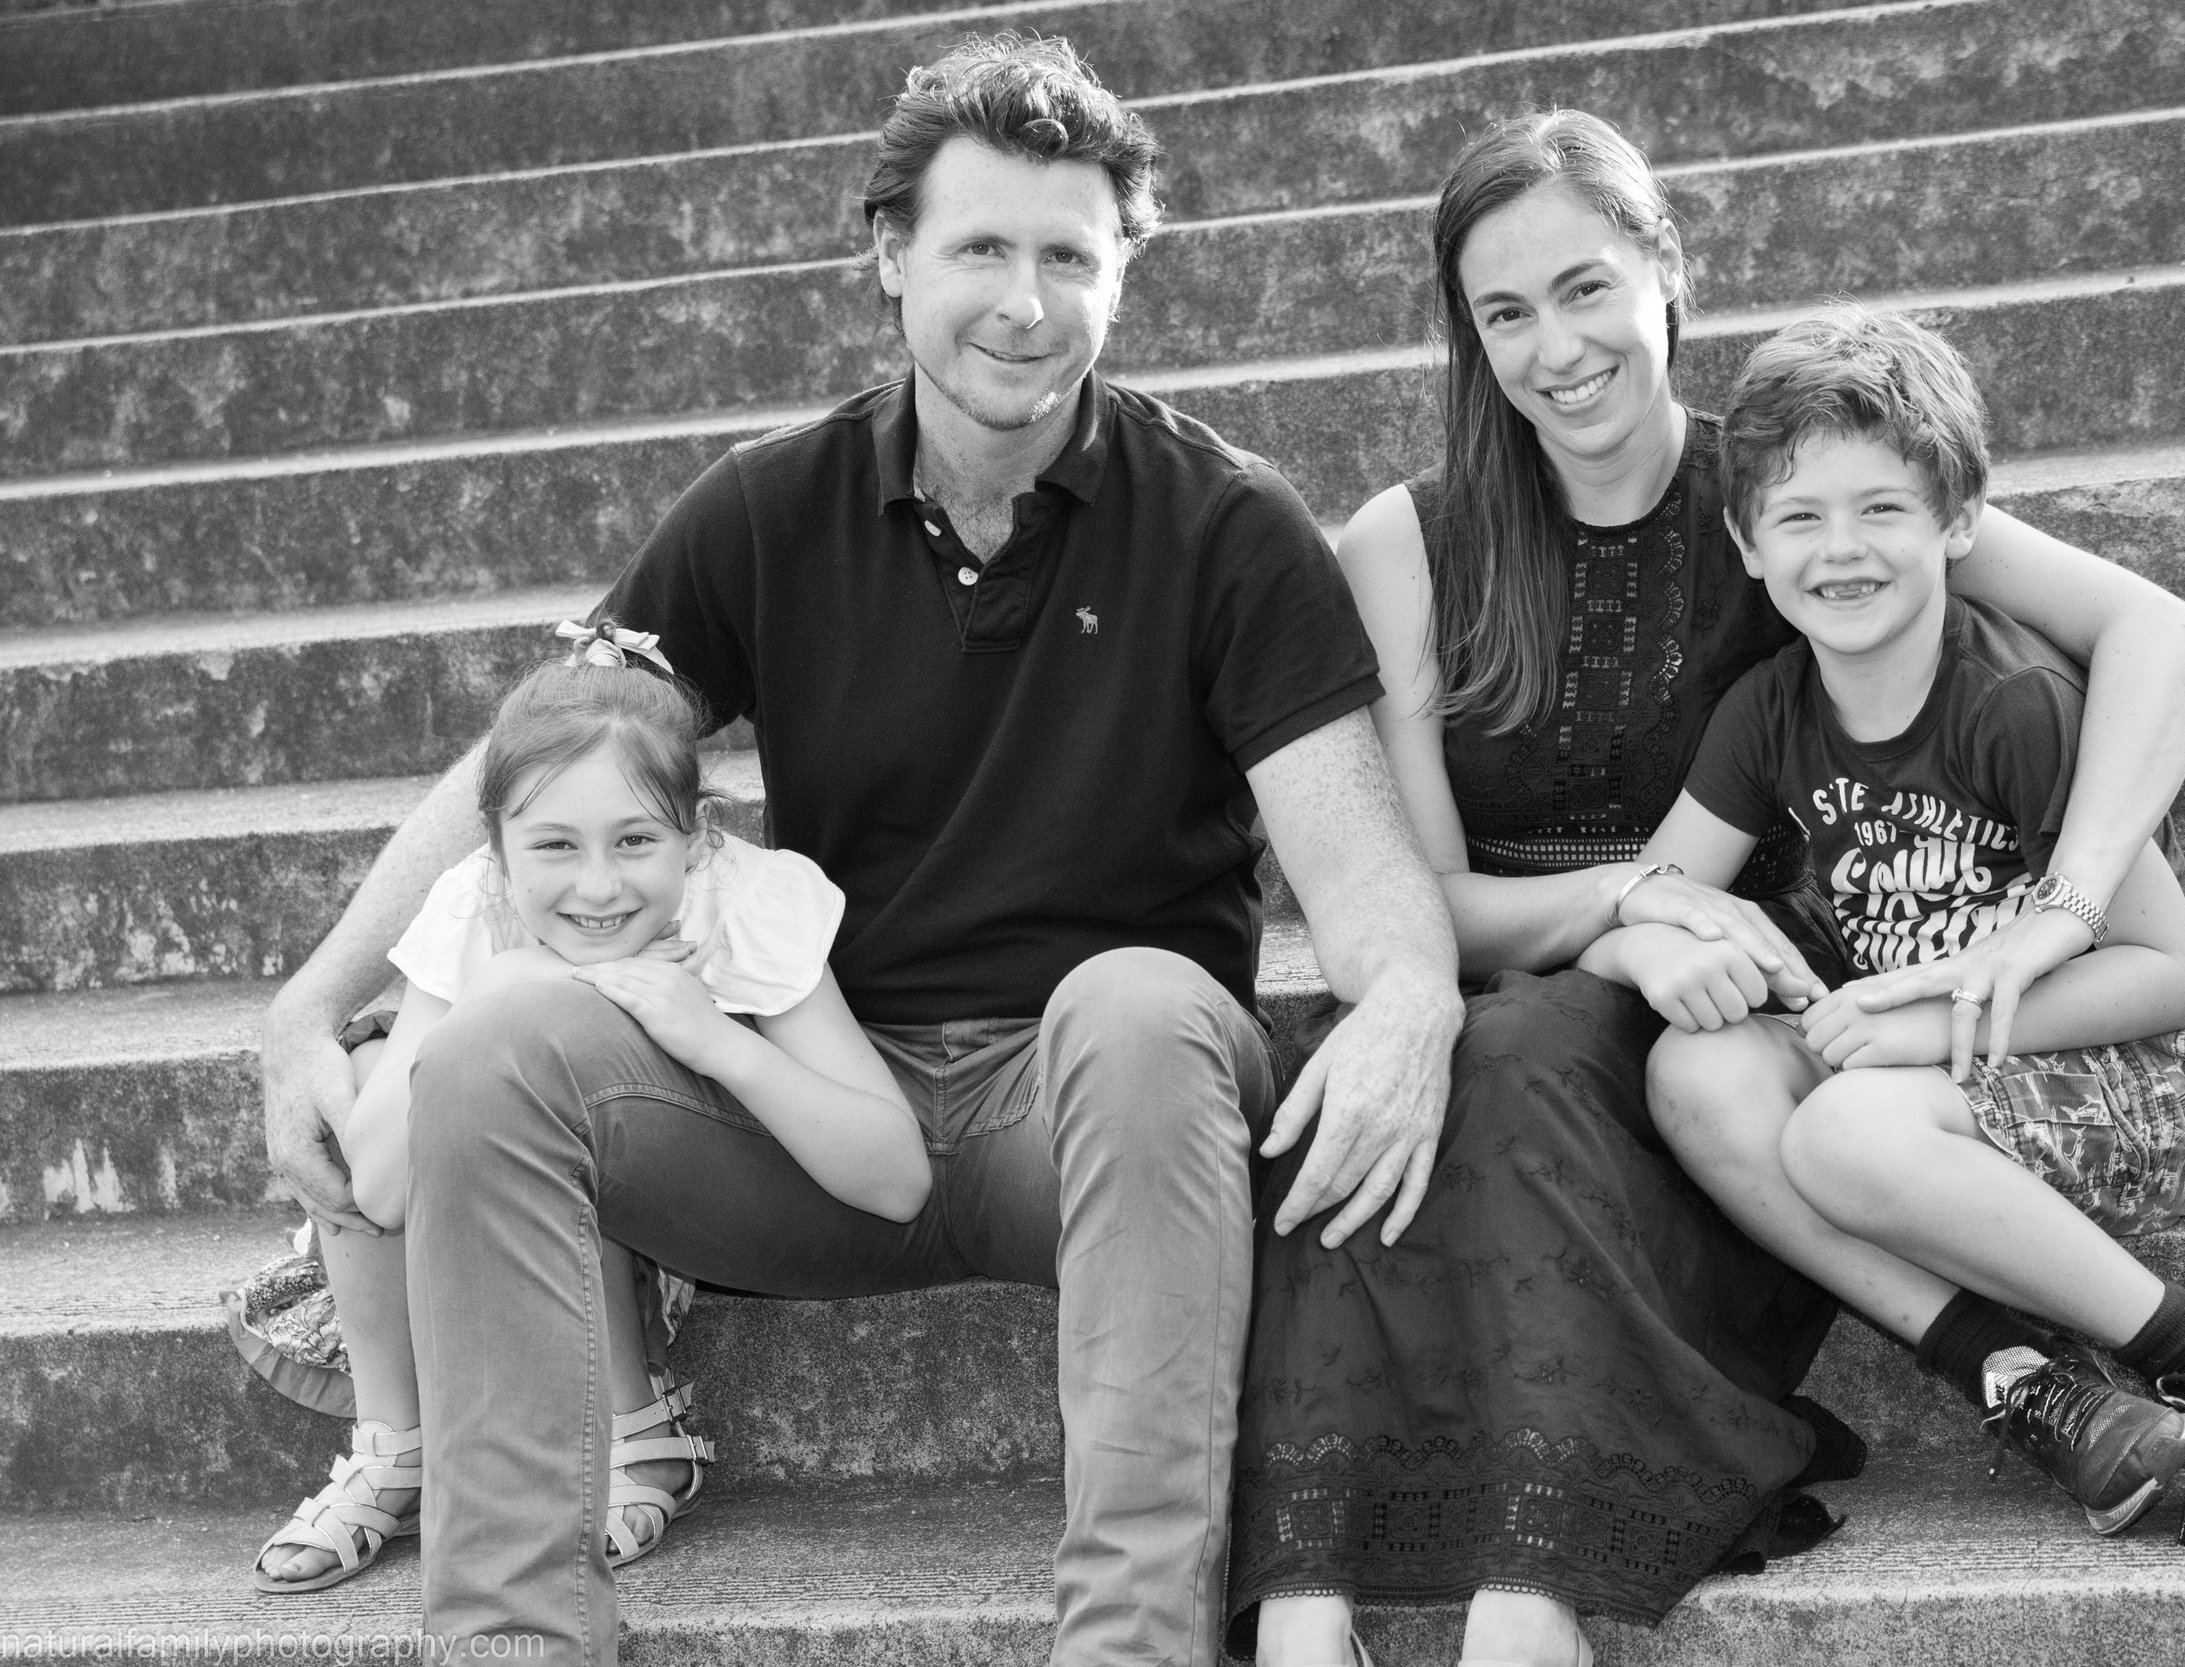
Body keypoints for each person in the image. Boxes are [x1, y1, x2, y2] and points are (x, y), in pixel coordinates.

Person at [257, 34, 1463, 1667]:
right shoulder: (774, 506)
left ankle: (1129, 1647)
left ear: (1121, 273)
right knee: (495, 1047)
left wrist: (1411, 1001)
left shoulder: (1227, 523)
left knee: (1140, 1003)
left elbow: (1361, 864)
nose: (1023, 303)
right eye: (980, 248)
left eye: (1069, 257)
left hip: (1101, 1118)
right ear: (892, 255)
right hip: (823, 1105)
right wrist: (309, 1002)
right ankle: (513, 1638)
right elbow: (538, 758)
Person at [1231, 112, 2185, 1667]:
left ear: (1667, 270)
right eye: (1505, 312)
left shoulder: (1792, 491)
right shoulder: (1411, 544)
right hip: (1547, 993)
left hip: (1758, 1032)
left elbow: (2159, 632)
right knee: (1368, 1080)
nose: (1556, 349)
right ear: (1468, 334)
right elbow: (1415, 901)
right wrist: (1631, 910)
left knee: (1516, 1055)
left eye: (1584, 288)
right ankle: (1306, 1602)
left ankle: (1530, 1591)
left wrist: (2071, 903)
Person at [1602, 302, 2185, 1550]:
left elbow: (2167, 974)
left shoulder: (2013, 701)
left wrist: (1922, 1026)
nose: (1841, 550)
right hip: (1943, 1084)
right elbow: (1649, 889)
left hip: (2141, 1079)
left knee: (1842, 1128)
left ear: (1958, 521)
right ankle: (2033, 1383)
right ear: (1745, 542)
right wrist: (1647, 934)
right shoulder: (1766, 710)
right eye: (1799, 516)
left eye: (1880, 508)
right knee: (1695, 1070)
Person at [245, 637, 929, 1593]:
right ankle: (396, 1442)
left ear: (696, 836)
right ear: (497, 851)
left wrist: (715, 1039)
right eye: (555, 845)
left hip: (680, 1202)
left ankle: (637, 1425)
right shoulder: (475, 905)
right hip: (482, 1223)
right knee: (368, 1074)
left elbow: (898, 1178)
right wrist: (510, 985)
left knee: (551, 1075)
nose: (598, 886)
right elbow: (384, 1188)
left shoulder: (744, 900)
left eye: (636, 841)